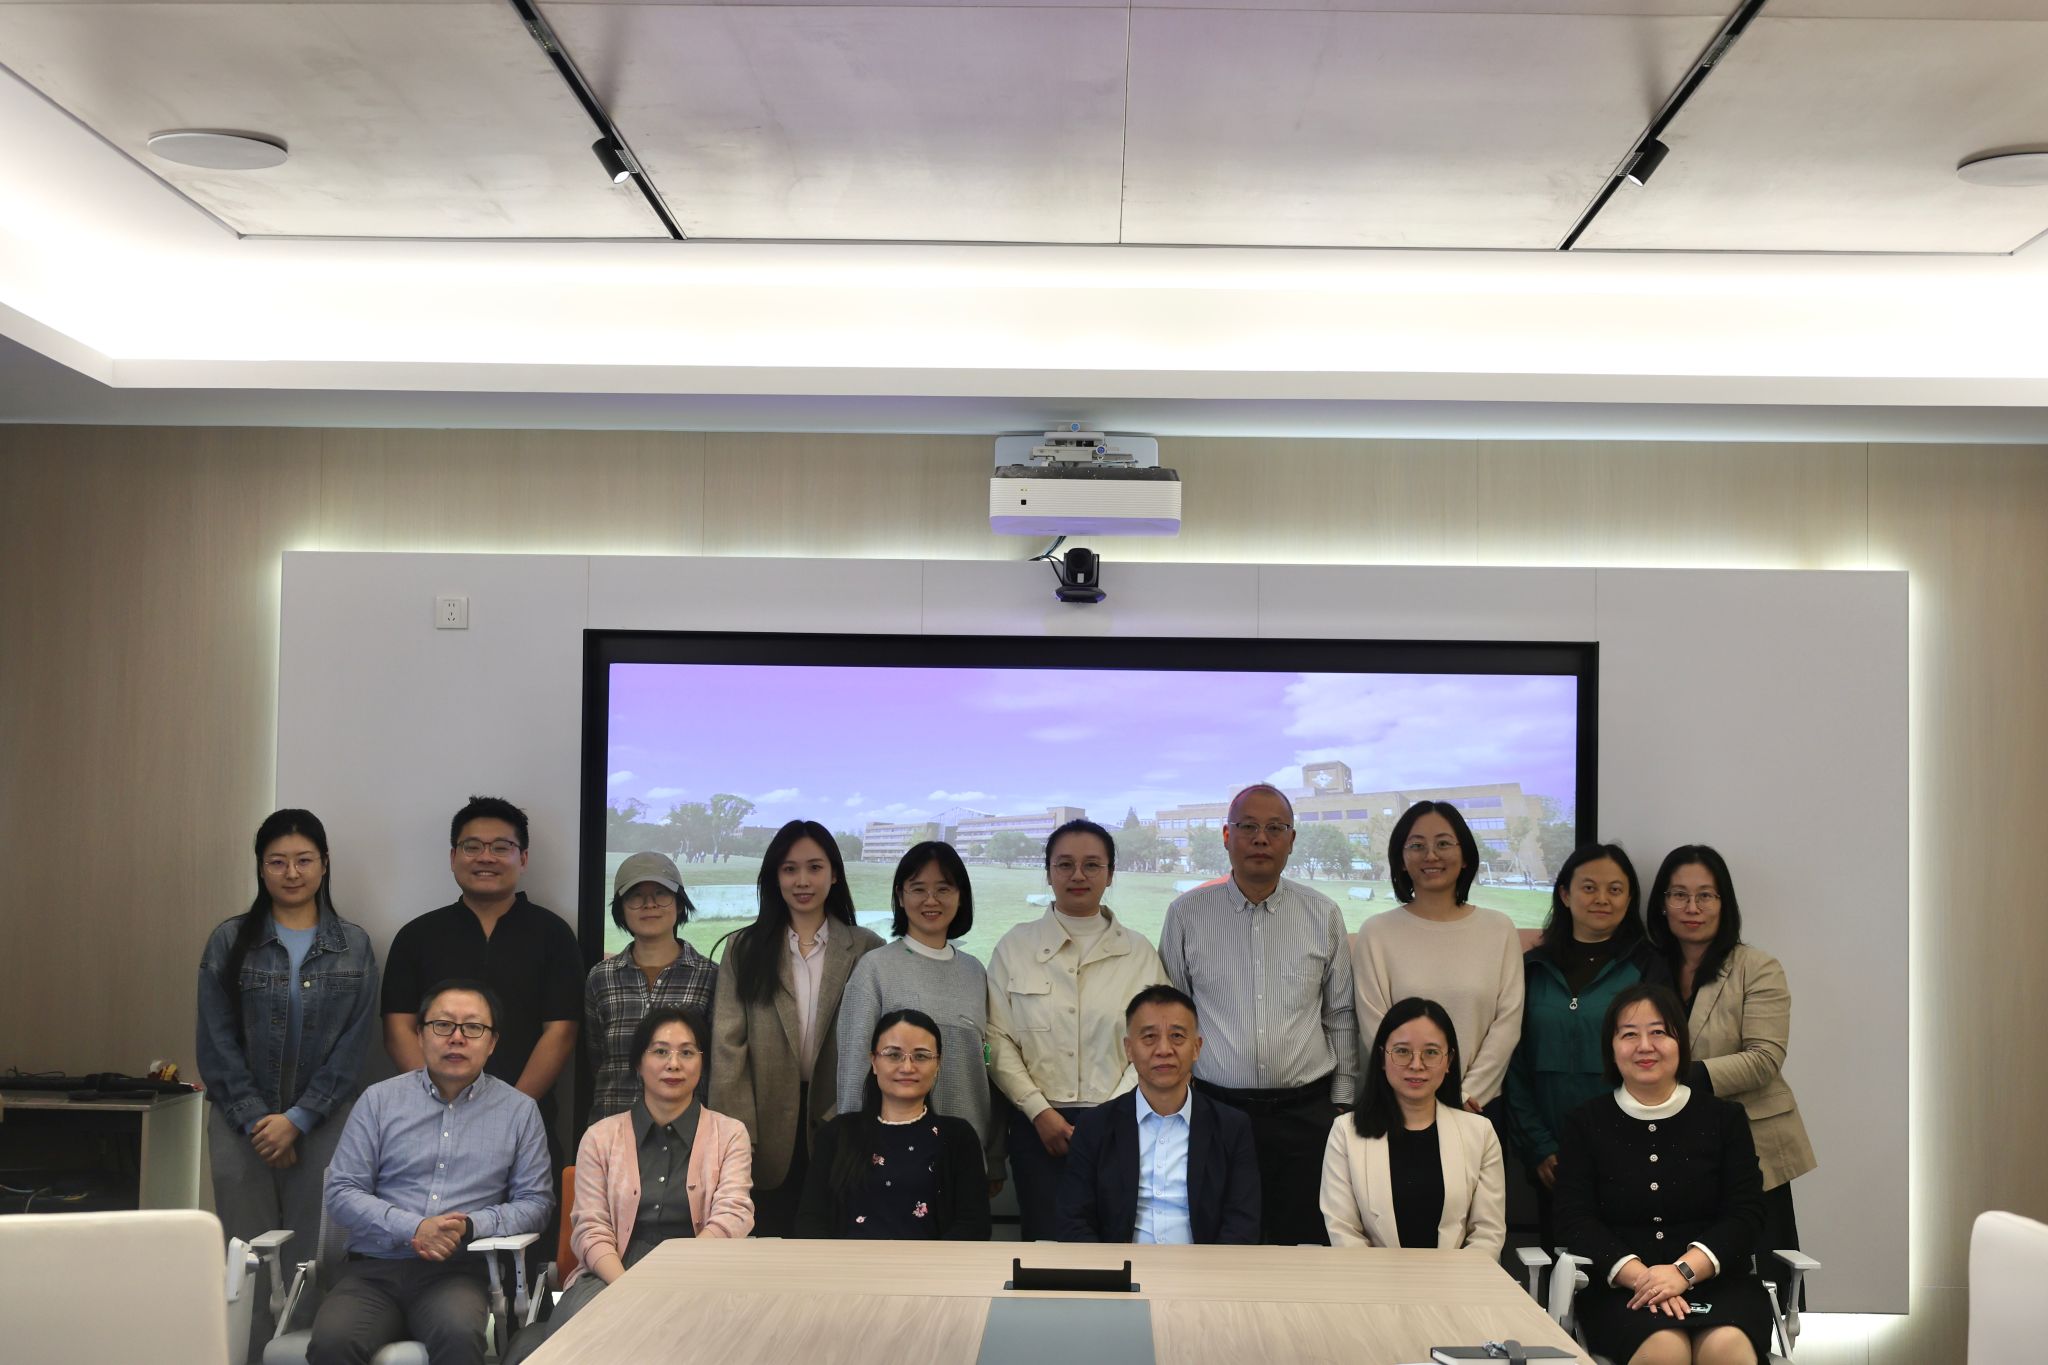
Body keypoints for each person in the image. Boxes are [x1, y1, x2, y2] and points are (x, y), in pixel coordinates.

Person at [197, 809, 380, 1357]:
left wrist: (298, 1120)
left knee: (316, 1259)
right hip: (240, 1126)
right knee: (247, 1258)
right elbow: (215, 1040)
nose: (292, 873)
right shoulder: (229, 939)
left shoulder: (354, 945)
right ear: (261, 868)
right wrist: (260, 1120)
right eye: (277, 862)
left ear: (324, 864)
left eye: (304, 860)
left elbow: (354, 1047)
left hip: (324, 1123)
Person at [310, 980, 553, 1365]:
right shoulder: (379, 1101)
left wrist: (469, 1226)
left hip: (456, 1273)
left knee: (459, 1334)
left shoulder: (519, 1111)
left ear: (492, 1043)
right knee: (332, 1342)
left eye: (473, 1027)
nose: (457, 1037)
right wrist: (415, 1227)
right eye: (443, 1025)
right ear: (421, 1035)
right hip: (373, 1271)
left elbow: (536, 1204)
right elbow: (342, 1191)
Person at [1158, 782, 1356, 1244]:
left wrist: (1342, 1101)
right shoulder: (1186, 914)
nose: (1261, 839)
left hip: (1306, 1114)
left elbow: (1340, 1013)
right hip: (1214, 1110)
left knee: (1303, 1245)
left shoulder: (1323, 914)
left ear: (1292, 839)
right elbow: (1173, 1016)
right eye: (1248, 827)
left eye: (1275, 828)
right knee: (1216, 1243)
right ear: (1227, 836)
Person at [501, 1006, 749, 1365]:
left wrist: (675, 1276)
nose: (674, 1064)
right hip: (611, 1272)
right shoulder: (600, 1137)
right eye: (660, 1051)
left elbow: (732, 1217)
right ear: (638, 1063)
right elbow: (590, 1227)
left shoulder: (730, 1134)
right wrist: (630, 1287)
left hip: (699, 1273)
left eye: (687, 1052)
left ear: (702, 1062)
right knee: (588, 1334)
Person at [1554, 983, 1772, 1365]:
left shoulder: (1724, 1119)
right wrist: (1645, 1279)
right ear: (1611, 1047)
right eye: (1629, 1035)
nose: (1645, 1046)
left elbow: (1746, 1214)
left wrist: (1682, 1272)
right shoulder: (1584, 1123)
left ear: (1680, 1042)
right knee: (1664, 1349)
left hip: (1719, 1283)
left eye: (1658, 1032)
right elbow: (1575, 1220)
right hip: (1624, 1290)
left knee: (1726, 1346)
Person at [987, 818, 1169, 1239]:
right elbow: (993, 1041)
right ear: (1048, 872)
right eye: (1065, 864)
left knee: (1121, 1243)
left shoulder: (1139, 952)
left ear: (1111, 873)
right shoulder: (1015, 946)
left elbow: (1157, 1043)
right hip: (1038, 1126)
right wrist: (1038, 1111)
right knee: (1047, 1246)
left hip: (1123, 1123)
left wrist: (1112, 1114)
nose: (1078, 875)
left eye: (1092, 865)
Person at [1646, 845, 1816, 1289]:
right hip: (1670, 1143)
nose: (1692, 907)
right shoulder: (1646, 968)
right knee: (1682, 1276)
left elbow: (1764, 1059)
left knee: (1763, 1279)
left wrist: (1676, 1077)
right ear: (1662, 903)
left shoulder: (1756, 967)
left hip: (1753, 1145)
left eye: (1706, 895)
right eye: (1679, 895)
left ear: (1725, 903)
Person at [381, 797, 581, 1161]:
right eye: (472, 847)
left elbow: (561, 1032)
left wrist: (509, 1111)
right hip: (428, 1123)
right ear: (453, 856)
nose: (485, 857)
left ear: (523, 858)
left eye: (501, 847)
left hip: (525, 1124)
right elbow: (398, 1029)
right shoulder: (417, 936)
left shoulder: (553, 934)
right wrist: (441, 1101)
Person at [709, 820, 883, 1236]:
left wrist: (852, 1113)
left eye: (814, 867)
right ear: (775, 876)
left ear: (834, 874)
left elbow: (878, 1043)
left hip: (842, 1118)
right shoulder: (743, 948)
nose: (802, 881)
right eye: (789, 869)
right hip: (763, 1122)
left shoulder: (867, 948)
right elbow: (728, 1045)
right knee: (767, 1245)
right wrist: (738, 1134)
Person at [1504, 843, 1669, 1248]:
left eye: (1615, 889)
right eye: (1589, 887)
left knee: (1631, 1267)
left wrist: (1628, 1146)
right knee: (1561, 1269)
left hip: (1630, 1153)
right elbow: (1513, 1065)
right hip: (1550, 1158)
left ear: (1630, 898)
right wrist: (1540, 1148)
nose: (1602, 899)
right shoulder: (1532, 968)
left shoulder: (1649, 966)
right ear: (1564, 894)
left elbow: (1660, 1062)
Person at [834, 842, 1002, 1190]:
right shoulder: (874, 969)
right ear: (900, 895)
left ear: (961, 896)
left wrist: (994, 1157)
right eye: (918, 888)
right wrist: (853, 1152)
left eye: (944, 889)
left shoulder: (976, 972)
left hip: (966, 1155)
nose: (931, 900)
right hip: (888, 1160)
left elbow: (987, 1067)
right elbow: (853, 1071)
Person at [1352, 800, 1524, 1116]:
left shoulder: (1499, 929)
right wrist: (1421, 1094)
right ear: (1401, 860)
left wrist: (1466, 1094)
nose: (1431, 855)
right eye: (1417, 845)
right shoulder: (1376, 933)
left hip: (1477, 1107)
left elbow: (1508, 1024)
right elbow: (1374, 1026)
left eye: (1443, 843)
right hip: (1399, 1107)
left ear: (1465, 856)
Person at [1056, 984, 1260, 1244]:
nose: (1164, 1049)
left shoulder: (1232, 1127)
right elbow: (1074, 1220)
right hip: (1119, 1267)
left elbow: (1242, 1224)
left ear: (1197, 1047)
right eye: (1149, 1037)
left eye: (1177, 1036)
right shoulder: (1094, 1126)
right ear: (1129, 1049)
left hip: (1205, 1267)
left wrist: (1209, 1270)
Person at [1320, 997, 1505, 1257]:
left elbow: (1487, 1234)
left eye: (1431, 1052)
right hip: (1371, 1278)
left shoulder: (1480, 1132)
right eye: (1402, 1051)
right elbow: (1344, 1231)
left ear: (1449, 1060)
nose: (1416, 1065)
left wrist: (1455, 1280)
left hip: (1458, 1279)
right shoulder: (1345, 1132)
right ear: (1382, 1057)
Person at [796, 1009, 991, 1240]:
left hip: (933, 1263)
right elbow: (810, 1222)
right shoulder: (837, 1134)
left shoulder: (958, 1137)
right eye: (894, 1055)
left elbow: (974, 1226)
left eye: (921, 1056)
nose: (907, 1067)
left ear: (938, 1064)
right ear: (874, 1061)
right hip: (848, 1262)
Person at [585, 851, 717, 1122]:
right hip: (612, 1127)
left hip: (687, 1133)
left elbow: (717, 1063)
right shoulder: (601, 977)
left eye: (661, 894)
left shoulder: (710, 976)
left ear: (679, 904)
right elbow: (597, 1057)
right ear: (621, 908)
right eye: (636, 896)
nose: (649, 905)